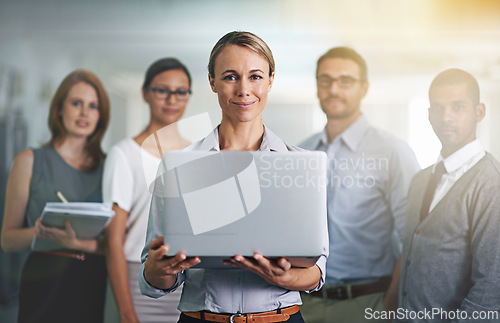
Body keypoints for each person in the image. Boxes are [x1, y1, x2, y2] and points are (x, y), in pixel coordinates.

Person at [138, 31, 328, 323]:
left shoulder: (299, 166)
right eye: (230, 76)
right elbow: (154, 281)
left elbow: (317, 271)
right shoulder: (180, 165)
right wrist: (158, 269)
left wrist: (286, 278)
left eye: (255, 76)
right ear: (212, 81)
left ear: (270, 80)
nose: (243, 89)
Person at [298, 47, 420, 322]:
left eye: (346, 81)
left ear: (364, 88)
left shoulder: (393, 152)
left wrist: (390, 305)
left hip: (368, 303)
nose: (334, 89)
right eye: (325, 80)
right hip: (304, 305)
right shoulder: (299, 153)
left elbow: (414, 238)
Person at [1, 69, 110, 323]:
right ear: (59, 109)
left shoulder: (110, 166)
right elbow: (8, 239)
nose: (85, 113)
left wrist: (77, 243)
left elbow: (115, 243)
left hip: (91, 279)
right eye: (76, 103)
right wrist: (42, 233)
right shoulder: (29, 161)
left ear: (100, 116)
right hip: (43, 280)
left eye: (93, 106)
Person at [397, 68, 500, 322]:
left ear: (479, 112)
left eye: (458, 107)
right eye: (438, 108)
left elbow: (490, 287)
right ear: (429, 114)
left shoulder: (490, 183)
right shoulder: (420, 180)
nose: (446, 117)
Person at [102, 57, 191, 323]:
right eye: (162, 90)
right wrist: (127, 312)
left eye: (180, 92)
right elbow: (113, 240)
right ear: (145, 93)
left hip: (188, 280)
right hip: (136, 278)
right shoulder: (124, 155)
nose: (172, 99)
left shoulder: (196, 154)